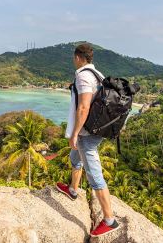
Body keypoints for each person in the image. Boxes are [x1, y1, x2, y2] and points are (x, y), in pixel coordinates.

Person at [55, 43, 120, 238]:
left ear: (78, 57)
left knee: (94, 175)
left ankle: (110, 220)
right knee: (75, 159)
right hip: (96, 128)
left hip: (87, 133)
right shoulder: (96, 73)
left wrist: (75, 133)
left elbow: (83, 108)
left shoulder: (83, 76)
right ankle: (73, 189)